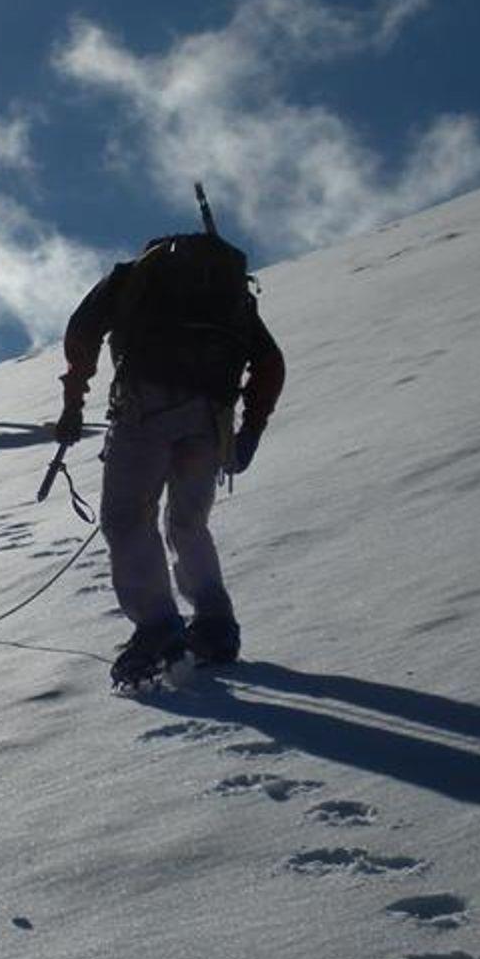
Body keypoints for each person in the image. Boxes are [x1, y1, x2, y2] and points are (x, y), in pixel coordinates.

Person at [54, 225, 285, 687]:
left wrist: (74, 403)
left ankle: (158, 629)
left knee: (127, 518)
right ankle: (215, 625)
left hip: (146, 407)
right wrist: (250, 432)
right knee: (187, 523)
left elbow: (83, 332)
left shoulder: (132, 275)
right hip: (210, 419)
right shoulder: (229, 295)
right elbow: (270, 364)